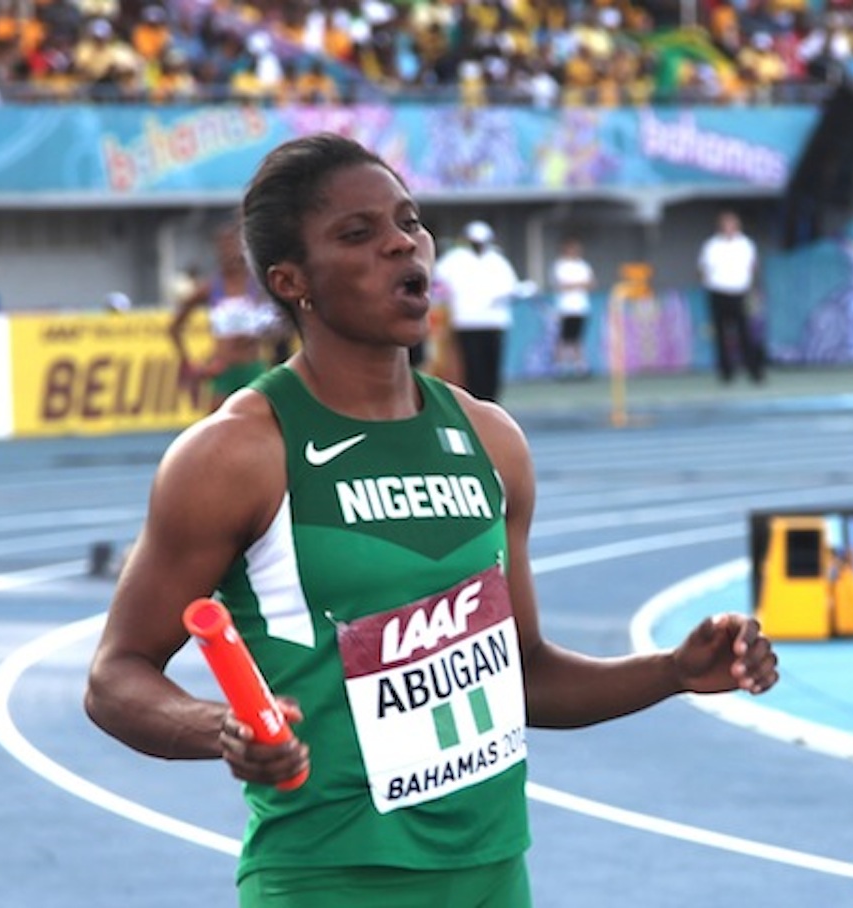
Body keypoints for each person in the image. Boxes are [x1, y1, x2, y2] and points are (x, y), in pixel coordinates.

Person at [84, 133, 780, 907]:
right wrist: (220, 728)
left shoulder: (492, 441)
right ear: (292, 281)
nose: (401, 245)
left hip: (494, 877)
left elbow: (524, 674)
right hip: (330, 880)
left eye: (409, 222)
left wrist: (672, 673)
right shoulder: (239, 453)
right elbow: (117, 675)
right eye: (359, 234)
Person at [169, 219, 287, 411]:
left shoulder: (259, 285)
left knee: (263, 426)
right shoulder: (209, 288)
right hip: (223, 371)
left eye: (233, 245)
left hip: (252, 368)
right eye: (223, 246)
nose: (228, 252)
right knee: (217, 429)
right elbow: (174, 327)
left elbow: (283, 323)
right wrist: (189, 363)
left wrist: (260, 334)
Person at [434, 219, 521, 401]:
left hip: (494, 321)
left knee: (492, 367)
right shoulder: (455, 259)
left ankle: (492, 402)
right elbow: (438, 280)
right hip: (467, 321)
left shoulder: (497, 260)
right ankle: (476, 402)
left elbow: (511, 287)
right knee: (473, 367)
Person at [697, 210, 764, 384]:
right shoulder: (711, 245)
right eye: (725, 224)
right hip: (718, 292)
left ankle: (754, 371)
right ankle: (726, 373)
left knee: (745, 333)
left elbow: (752, 266)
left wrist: (745, 284)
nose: (729, 227)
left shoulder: (745, 244)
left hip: (739, 292)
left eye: (732, 224)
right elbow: (703, 268)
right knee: (720, 333)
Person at [550, 235, 596, 378]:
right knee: (564, 338)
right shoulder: (560, 265)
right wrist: (579, 284)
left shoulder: (583, 265)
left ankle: (580, 367)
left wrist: (575, 285)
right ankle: (560, 367)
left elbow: (591, 284)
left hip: (581, 308)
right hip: (565, 308)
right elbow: (561, 285)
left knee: (577, 338)